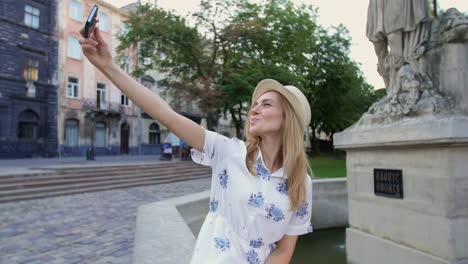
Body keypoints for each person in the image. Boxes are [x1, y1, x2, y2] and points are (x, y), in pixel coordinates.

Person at [79, 21, 313, 264]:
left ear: (288, 120)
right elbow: (167, 115)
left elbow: (284, 251)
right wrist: (108, 66)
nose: (254, 110)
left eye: (266, 105)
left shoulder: (301, 183)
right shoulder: (229, 152)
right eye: (255, 104)